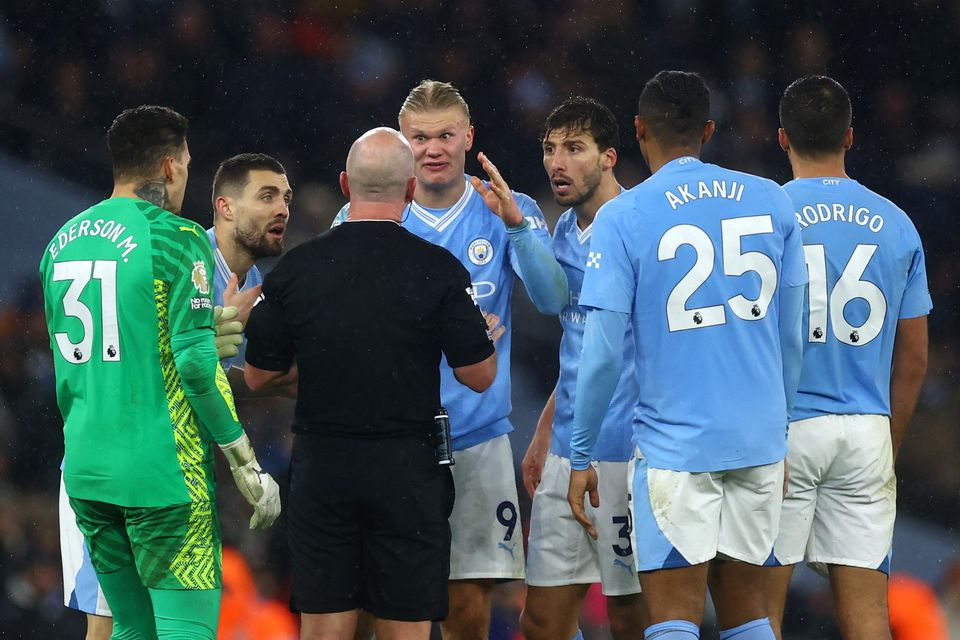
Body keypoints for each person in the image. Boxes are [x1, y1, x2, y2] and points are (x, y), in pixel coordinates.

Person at [567, 71, 807, 640]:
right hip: (757, 440)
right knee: (749, 615)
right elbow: (792, 336)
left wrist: (581, 453)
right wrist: (784, 427)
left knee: (673, 618)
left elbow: (601, 355)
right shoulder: (771, 200)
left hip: (676, 448)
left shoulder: (623, 218)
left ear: (638, 129)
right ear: (707, 129)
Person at [332, 79, 567, 640]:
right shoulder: (360, 215)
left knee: (467, 609)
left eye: (445, 135)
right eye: (419, 137)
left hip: (478, 438)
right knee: (386, 605)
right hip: (391, 440)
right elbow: (340, 324)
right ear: (401, 143)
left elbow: (554, 298)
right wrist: (448, 327)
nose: (433, 148)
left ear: (469, 138)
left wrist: (517, 227)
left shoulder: (508, 208)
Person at [243, 127, 498, 640]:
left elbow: (258, 375)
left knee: (325, 626)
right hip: (408, 469)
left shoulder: (294, 270)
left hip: (323, 466)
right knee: (404, 628)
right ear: (409, 190)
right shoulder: (439, 270)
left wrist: (332, 369)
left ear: (344, 184)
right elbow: (479, 375)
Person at [40, 105, 281, 640]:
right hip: (160, 477)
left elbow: (107, 348)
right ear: (171, 167)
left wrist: (191, 325)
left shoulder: (60, 244)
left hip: (86, 470)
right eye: (189, 163)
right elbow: (195, 366)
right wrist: (245, 462)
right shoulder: (179, 237)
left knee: (129, 628)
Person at [765, 76, 932, 640]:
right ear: (850, 137)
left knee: (759, 617)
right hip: (864, 429)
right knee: (866, 622)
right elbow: (913, 361)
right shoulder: (898, 225)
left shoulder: (764, 217)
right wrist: (887, 446)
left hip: (782, 434)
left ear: (782, 137)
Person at [519, 97, 646, 640]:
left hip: (629, 451)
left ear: (609, 157)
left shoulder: (644, 227)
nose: (557, 163)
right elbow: (576, 344)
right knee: (542, 621)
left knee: (631, 621)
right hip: (569, 448)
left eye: (574, 148)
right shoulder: (562, 233)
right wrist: (545, 429)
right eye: (550, 149)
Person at [207, 152, 296, 394]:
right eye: (267, 197)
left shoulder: (254, 279)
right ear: (226, 208)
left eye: (286, 200)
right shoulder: (186, 264)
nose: (283, 210)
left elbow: (221, 373)